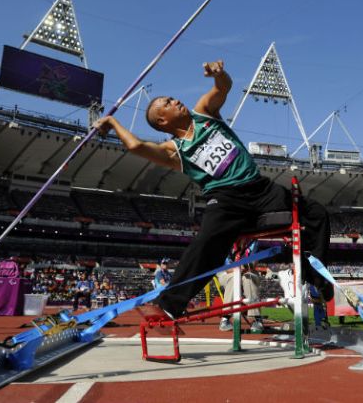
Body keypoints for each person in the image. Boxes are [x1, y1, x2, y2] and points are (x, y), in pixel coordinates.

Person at [94, 60, 333, 320]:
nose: (175, 101)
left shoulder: (203, 112)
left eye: (173, 98)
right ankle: (170, 304)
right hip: (226, 200)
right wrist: (112, 122)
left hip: (260, 189)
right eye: (168, 103)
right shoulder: (174, 150)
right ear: (162, 120)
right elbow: (137, 147)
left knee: (317, 213)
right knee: (206, 244)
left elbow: (223, 88)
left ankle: (315, 276)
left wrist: (219, 74)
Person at [217, 241, 264, 333]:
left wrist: (243, 267)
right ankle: (225, 318)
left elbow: (253, 264)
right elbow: (227, 269)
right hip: (226, 273)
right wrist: (243, 266)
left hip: (248, 272)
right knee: (234, 278)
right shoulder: (226, 243)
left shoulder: (254, 243)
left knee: (248, 278)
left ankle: (257, 319)